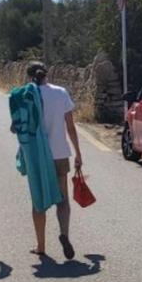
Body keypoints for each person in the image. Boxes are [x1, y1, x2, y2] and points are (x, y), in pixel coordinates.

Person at [22, 62, 83, 259]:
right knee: (63, 199)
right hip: (59, 153)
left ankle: (41, 246)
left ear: (28, 76)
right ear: (46, 74)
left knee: (38, 201)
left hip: (37, 156)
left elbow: (18, 128)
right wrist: (78, 153)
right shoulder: (61, 93)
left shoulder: (25, 96)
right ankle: (64, 234)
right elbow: (71, 127)